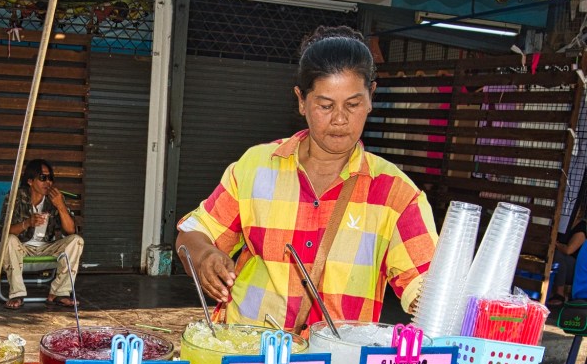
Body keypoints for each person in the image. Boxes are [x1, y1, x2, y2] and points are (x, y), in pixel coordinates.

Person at [175, 26, 437, 330]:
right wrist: (206, 256)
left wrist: (437, 303)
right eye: (325, 105)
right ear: (301, 100)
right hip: (248, 357)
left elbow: (428, 287)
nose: (340, 119)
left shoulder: (396, 193)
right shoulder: (257, 167)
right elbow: (192, 234)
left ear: (370, 98)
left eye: (353, 104)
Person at [2, 159, 84, 309]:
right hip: (20, 248)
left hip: (46, 248)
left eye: (50, 178)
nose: (48, 182)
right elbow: (4, 231)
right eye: (43, 178)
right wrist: (27, 223)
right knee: (9, 240)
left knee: (76, 240)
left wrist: (60, 206)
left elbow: (70, 230)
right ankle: (17, 294)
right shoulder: (15, 197)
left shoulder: (54, 200)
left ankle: (59, 293)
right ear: (30, 181)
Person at [550, 207, 586, 306]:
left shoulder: (582, 227)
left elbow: (568, 250)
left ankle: (560, 294)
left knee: (557, 255)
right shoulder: (561, 224)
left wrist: (556, 244)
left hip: (576, 271)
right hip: (564, 266)